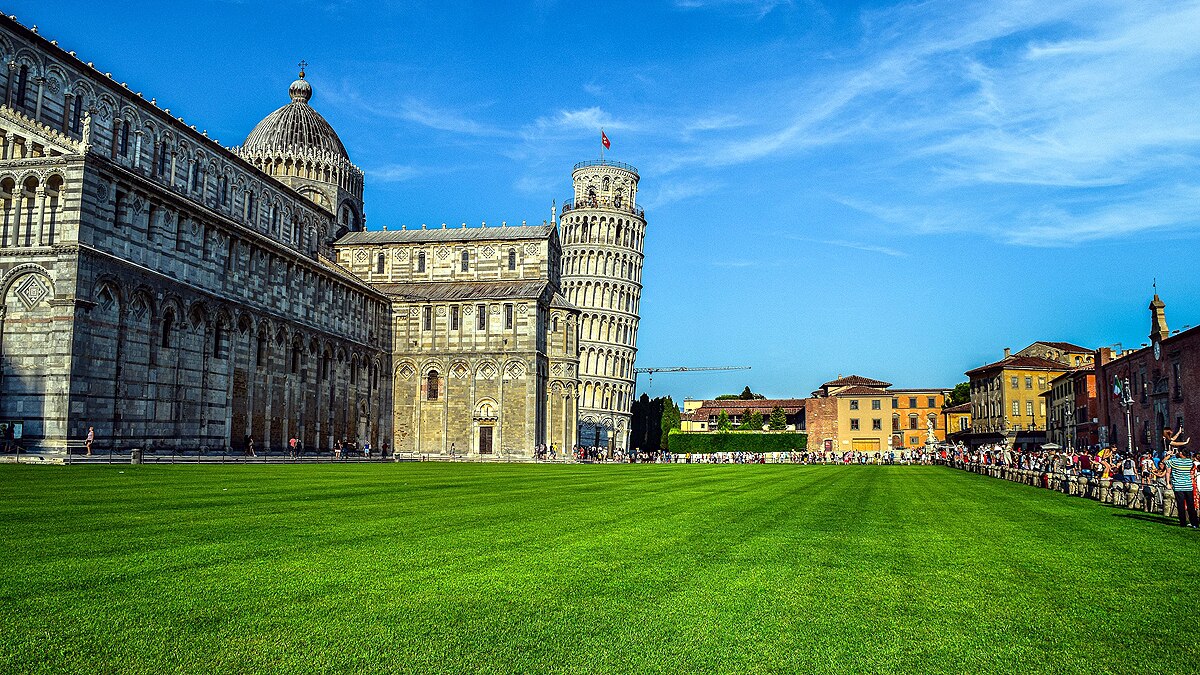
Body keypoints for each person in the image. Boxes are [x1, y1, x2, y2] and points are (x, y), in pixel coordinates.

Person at [1160, 427, 1196, 528]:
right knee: (1190, 505)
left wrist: (1179, 433)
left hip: (1178, 485)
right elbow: (1174, 442)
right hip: (1188, 486)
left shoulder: (1173, 460)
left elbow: (1172, 441)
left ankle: (1183, 523)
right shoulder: (1190, 462)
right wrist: (1184, 442)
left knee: (1180, 505)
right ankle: (1194, 523)